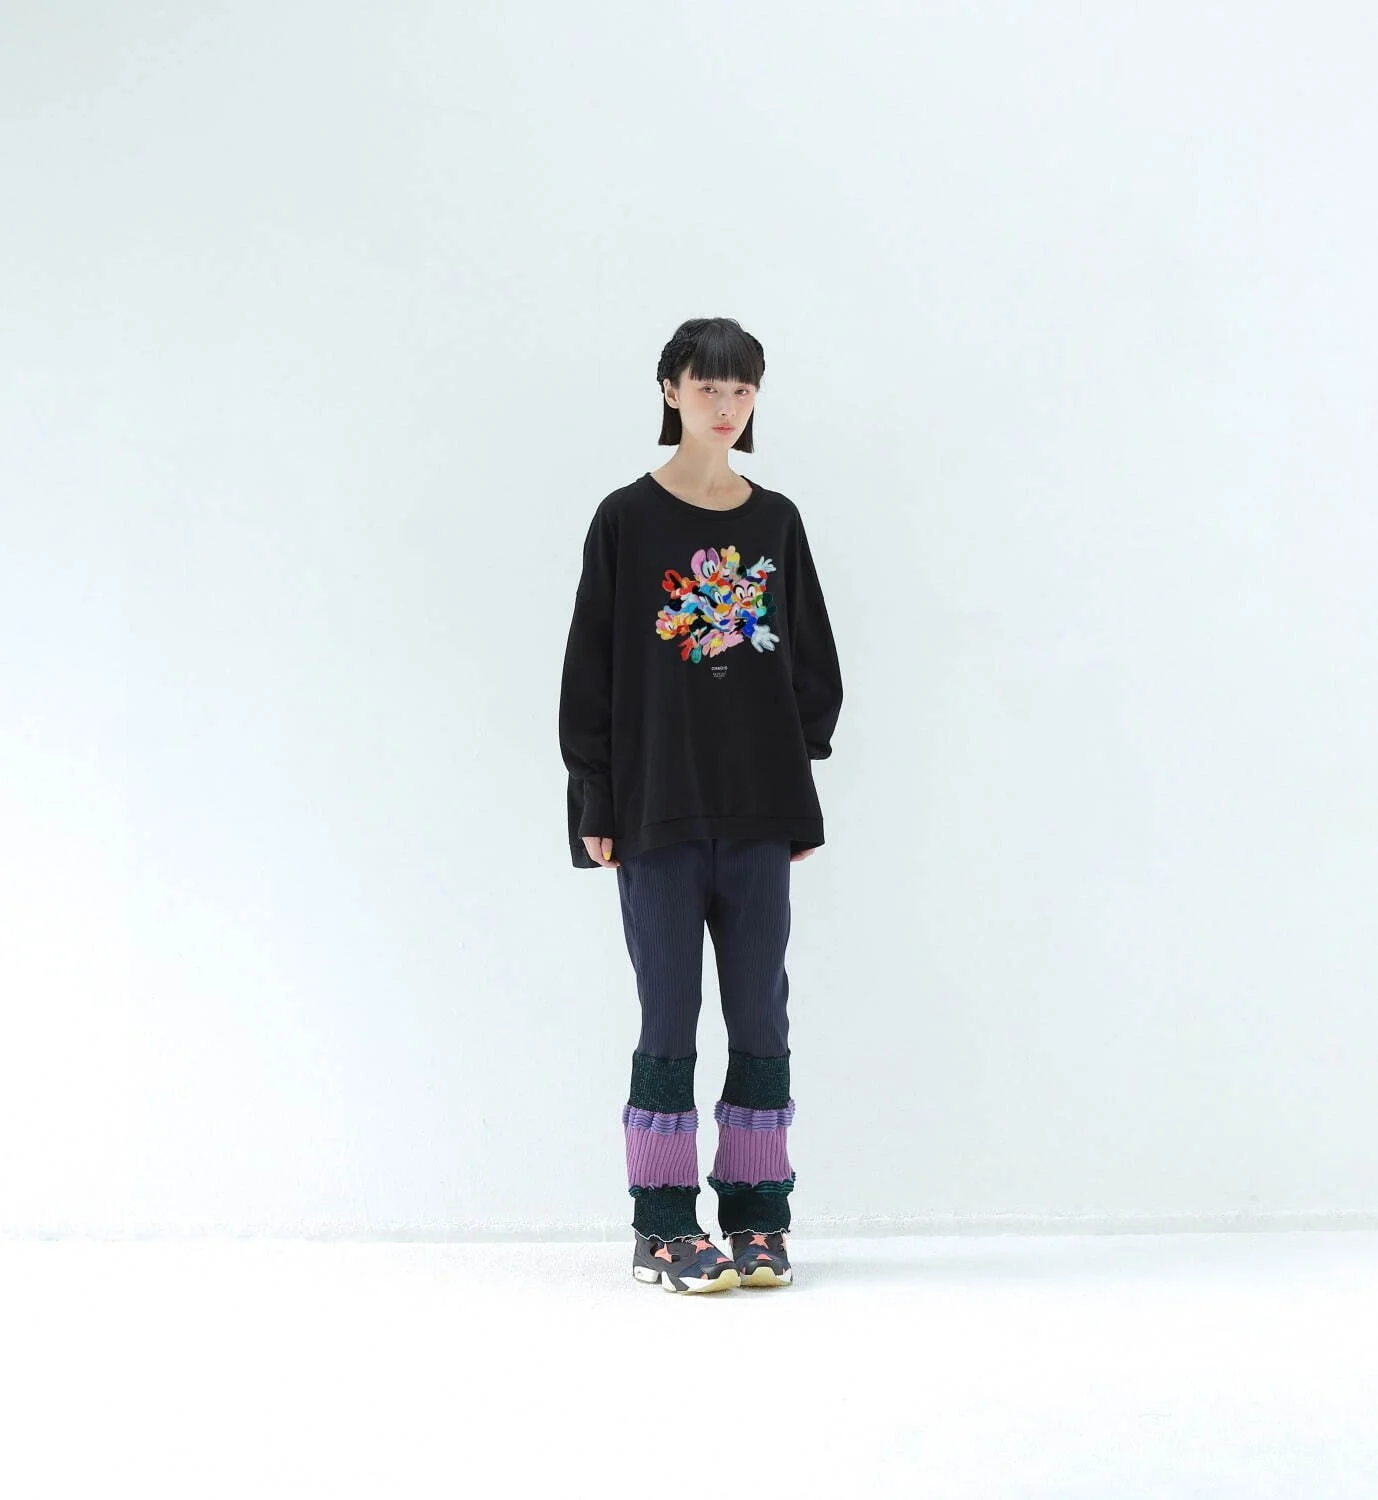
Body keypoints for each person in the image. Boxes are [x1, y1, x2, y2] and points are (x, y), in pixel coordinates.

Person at [558, 316, 844, 1294]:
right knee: (668, 1012)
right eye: (707, 386)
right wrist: (596, 797)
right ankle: (665, 1226)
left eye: (741, 389)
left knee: (761, 1011)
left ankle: (758, 1217)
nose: (725, 405)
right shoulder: (626, 520)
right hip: (656, 812)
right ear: (670, 390)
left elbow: (812, 662)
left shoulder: (777, 522)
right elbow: (590, 668)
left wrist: (793, 782)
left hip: (758, 814)